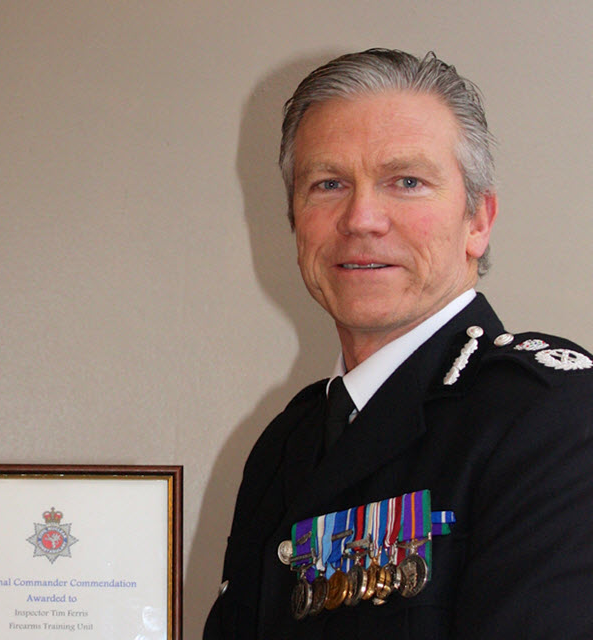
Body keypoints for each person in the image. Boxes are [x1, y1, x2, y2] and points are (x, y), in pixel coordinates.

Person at [205, 49, 593, 639]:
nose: (361, 218)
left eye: (406, 182)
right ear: (294, 220)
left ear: (478, 220)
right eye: (328, 183)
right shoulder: (287, 442)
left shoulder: (555, 416)